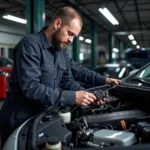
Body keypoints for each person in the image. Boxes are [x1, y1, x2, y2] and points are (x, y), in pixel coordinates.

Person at [0, 7, 120, 146]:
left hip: (42, 115)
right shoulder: (30, 45)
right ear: (57, 24)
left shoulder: (60, 51)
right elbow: (31, 88)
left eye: (74, 36)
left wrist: (88, 95)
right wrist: (73, 97)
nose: (71, 40)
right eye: (70, 33)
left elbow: (68, 79)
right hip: (19, 119)